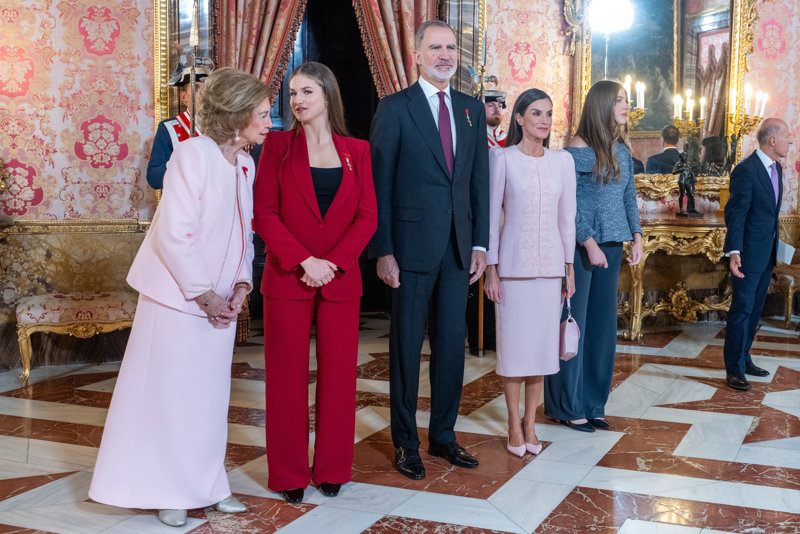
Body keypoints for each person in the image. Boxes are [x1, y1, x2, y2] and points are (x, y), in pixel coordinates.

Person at [89, 67, 271, 527]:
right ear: (236, 115)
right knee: (171, 398)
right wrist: (205, 296)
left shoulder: (245, 165)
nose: (269, 123)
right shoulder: (193, 154)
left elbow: (244, 235)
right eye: (262, 114)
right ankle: (169, 492)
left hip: (219, 303)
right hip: (178, 299)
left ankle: (209, 485)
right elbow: (174, 235)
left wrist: (241, 287)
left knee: (208, 399)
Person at [369, 20, 489, 480]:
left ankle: (443, 435)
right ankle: (406, 443)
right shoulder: (394, 108)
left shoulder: (471, 110)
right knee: (405, 349)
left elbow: (479, 183)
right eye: (435, 47)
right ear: (416, 55)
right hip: (409, 250)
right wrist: (383, 249)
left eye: (451, 47)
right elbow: (379, 185)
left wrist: (480, 244)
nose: (445, 55)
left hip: (459, 249)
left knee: (451, 348)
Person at [254, 61, 377, 504]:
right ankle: (288, 473)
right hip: (288, 276)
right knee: (285, 379)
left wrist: (333, 263)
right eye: (292, 93)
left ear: (327, 95)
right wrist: (305, 260)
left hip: (340, 280)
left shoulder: (357, 150)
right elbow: (264, 213)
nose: (297, 100)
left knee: (339, 379)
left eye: (307, 91)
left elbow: (367, 217)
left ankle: (331, 468)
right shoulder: (276, 147)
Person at [543, 79, 643, 433]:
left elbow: (628, 197)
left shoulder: (622, 151)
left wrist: (637, 237)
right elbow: (566, 204)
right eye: (620, 100)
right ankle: (566, 406)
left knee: (602, 331)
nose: (626, 106)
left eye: (626, 100)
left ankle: (593, 404)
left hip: (613, 247)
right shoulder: (576, 149)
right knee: (575, 327)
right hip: (580, 249)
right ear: (602, 105)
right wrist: (588, 243)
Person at [483, 88, 576, 457]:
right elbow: (491, 219)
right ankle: (512, 422)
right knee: (514, 352)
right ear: (519, 118)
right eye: (536, 113)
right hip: (512, 269)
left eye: (549, 114)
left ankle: (531, 423)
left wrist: (569, 267)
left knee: (540, 353)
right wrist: (491, 268)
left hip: (550, 270)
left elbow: (567, 220)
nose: (544, 120)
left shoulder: (562, 162)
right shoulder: (501, 158)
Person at [722, 118, 793, 391]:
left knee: (754, 311)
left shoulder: (777, 168)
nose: (790, 140)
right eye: (787, 135)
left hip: (767, 255)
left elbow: (770, 216)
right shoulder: (746, 170)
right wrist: (734, 251)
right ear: (772, 140)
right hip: (748, 254)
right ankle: (734, 369)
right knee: (742, 310)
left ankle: (744, 357)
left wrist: (776, 250)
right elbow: (736, 214)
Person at [465, 88, 506, 356]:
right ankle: (479, 336)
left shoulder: (510, 141)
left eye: (499, 105)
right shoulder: (472, 137)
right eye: (490, 104)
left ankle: (498, 334)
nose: (496, 109)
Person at [146, 67, 211, 189]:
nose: (204, 94)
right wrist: (181, 162)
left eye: (207, 89)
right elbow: (154, 178)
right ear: (183, 96)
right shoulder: (168, 128)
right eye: (196, 88)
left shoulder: (224, 127)